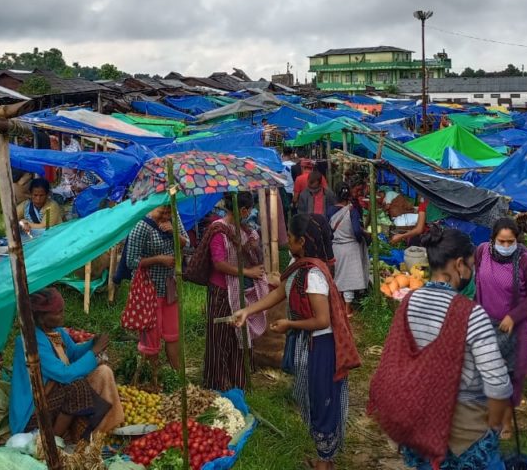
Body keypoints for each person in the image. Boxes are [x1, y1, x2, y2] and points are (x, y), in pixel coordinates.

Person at [373, 225, 513, 469]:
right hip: (463, 429)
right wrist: (497, 423)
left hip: (418, 422)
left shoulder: (408, 303)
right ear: (459, 265)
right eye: (470, 265)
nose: (471, 270)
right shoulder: (471, 314)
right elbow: (498, 384)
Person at [233, 215, 360, 470]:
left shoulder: (313, 275)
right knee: (312, 397)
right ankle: (325, 457)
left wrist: (290, 325)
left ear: (301, 242)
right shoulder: (300, 268)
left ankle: (325, 462)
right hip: (309, 343)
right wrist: (249, 311)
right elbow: (281, 292)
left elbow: (322, 320)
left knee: (322, 399)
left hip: (322, 347)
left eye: (289, 238)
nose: (286, 242)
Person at [10, 288, 123, 439]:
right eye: (58, 312)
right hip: (34, 411)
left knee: (102, 372)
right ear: (42, 318)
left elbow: (73, 353)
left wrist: (91, 344)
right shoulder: (30, 343)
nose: (63, 315)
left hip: (52, 394)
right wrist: (95, 351)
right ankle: (54, 441)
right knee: (76, 387)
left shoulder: (56, 332)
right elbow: (64, 374)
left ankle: (102, 426)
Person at [473, 217, 527, 437]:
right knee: (486, 370)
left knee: (512, 374)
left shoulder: (524, 262)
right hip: (486, 322)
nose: (505, 246)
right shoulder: (482, 252)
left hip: (516, 327)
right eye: (501, 241)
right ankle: (489, 416)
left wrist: (514, 316)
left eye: (510, 241)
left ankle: (508, 422)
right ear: (492, 240)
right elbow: (479, 281)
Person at [198, 192, 269, 391]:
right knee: (219, 336)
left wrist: (252, 248)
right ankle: (218, 382)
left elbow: (254, 258)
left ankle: (239, 380)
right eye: (249, 210)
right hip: (221, 292)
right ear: (244, 210)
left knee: (239, 334)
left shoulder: (246, 231)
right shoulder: (218, 230)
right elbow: (219, 263)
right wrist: (247, 271)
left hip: (241, 292)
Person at [124, 205, 188, 385]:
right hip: (148, 288)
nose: (166, 215)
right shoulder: (141, 226)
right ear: (153, 206)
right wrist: (158, 259)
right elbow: (131, 261)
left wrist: (175, 232)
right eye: (163, 212)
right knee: (151, 333)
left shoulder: (173, 217)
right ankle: (153, 376)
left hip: (169, 286)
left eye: (169, 212)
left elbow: (187, 243)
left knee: (172, 331)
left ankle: (178, 375)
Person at [329, 183, 371, 316]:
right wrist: (363, 239)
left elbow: (327, 230)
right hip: (350, 248)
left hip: (335, 247)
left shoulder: (329, 210)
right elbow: (357, 232)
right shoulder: (351, 211)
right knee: (349, 279)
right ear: (348, 197)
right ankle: (347, 308)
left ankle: (337, 304)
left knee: (338, 276)